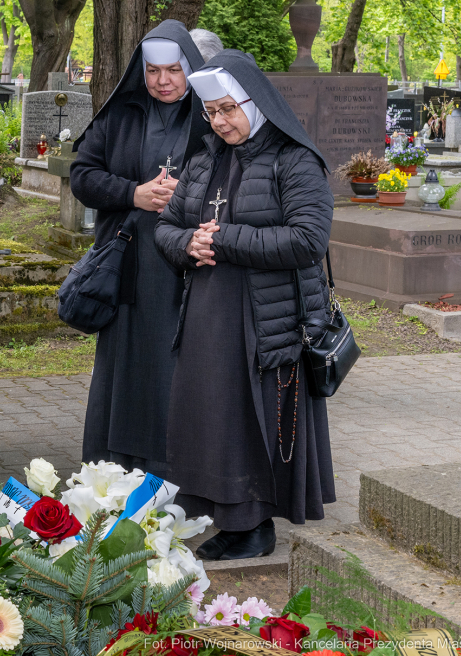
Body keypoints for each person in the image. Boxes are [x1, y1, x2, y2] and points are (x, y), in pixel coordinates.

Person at [154, 50, 336, 560]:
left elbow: (308, 239)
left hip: (264, 318)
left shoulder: (294, 159)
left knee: (247, 420)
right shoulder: (205, 157)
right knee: (209, 417)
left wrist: (226, 239)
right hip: (207, 311)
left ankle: (254, 527)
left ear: (256, 104)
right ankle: (221, 516)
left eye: (229, 109)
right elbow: (166, 227)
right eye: (212, 112)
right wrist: (188, 243)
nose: (221, 121)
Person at [69, 20, 206, 477]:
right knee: (124, 372)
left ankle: (175, 479)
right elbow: (82, 176)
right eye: (152, 71)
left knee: (175, 374)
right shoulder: (121, 113)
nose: (162, 81)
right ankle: (114, 472)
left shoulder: (210, 115)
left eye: (172, 70)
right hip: (127, 263)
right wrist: (134, 194)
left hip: (185, 269)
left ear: (189, 67)